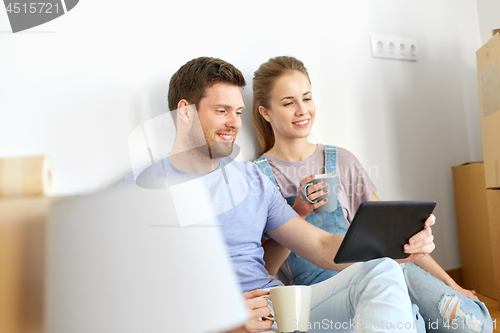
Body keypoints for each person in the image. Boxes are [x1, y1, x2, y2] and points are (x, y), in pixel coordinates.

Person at [123, 57, 437, 333]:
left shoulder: (251, 179)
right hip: (218, 321)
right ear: (185, 112)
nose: (234, 123)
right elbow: (134, 295)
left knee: (380, 270)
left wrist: (397, 246)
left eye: (238, 112)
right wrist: (222, 321)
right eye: (222, 111)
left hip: (280, 309)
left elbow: (319, 244)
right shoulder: (139, 191)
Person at [251, 56, 493, 333]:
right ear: (265, 112)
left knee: (474, 324)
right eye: (288, 102)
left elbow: (391, 237)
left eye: (306, 98)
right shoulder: (257, 176)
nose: (302, 110)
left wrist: (452, 284)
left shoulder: (341, 159)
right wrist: (299, 211)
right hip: (325, 290)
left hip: (385, 268)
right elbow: (265, 267)